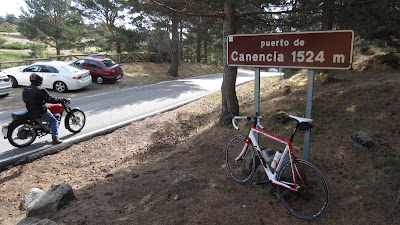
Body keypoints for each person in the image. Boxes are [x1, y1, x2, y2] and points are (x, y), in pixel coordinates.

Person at [22, 73, 66, 145]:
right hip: (40, 110)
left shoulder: (25, 89)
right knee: (54, 121)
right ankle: (55, 139)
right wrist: (60, 99)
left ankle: (44, 128)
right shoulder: (40, 89)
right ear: (39, 80)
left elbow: (24, 99)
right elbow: (49, 99)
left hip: (30, 109)